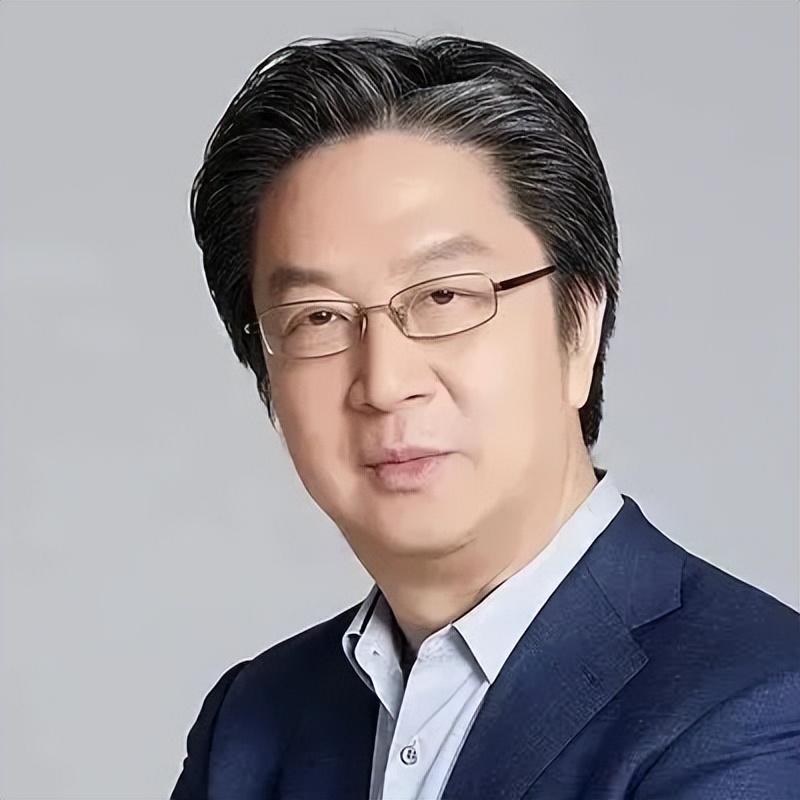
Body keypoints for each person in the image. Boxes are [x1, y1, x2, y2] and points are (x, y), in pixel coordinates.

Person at [171, 35, 799, 800]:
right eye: (318, 317)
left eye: (444, 296)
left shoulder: (758, 707)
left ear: (580, 327)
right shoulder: (251, 726)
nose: (385, 383)